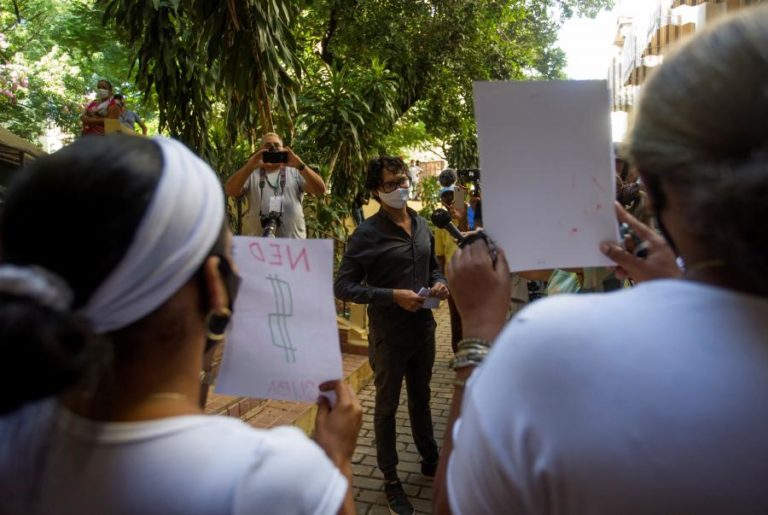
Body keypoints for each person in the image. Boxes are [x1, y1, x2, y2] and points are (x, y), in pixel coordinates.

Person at [434, 8, 768, 514]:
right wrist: (677, 278)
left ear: (653, 191)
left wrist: (478, 333)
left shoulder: (552, 345)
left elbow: (452, 506)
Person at [0, 135, 362, 515]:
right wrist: (335, 460)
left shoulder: (14, 437)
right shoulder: (277, 477)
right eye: (231, 255)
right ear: (215, 285)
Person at [334, 156, 449, 515]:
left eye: (402, 180)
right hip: (388, 335)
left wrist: (439, 284)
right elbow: (343, 285)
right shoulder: (366, 235)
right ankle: (390, 478)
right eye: (390, 184)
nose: (400, 187)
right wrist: (391, 296)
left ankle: (429, 457)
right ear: (375, 191)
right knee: (386, 407)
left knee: (422, 397)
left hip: (424, 329)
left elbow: (433, 267)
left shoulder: (420, 223)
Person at [224, 132, 325, 238]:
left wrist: (299, 164)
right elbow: (230, 190)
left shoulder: (295, 171)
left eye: (277, 145)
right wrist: (250, 165)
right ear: (260, 151)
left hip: (293, 247)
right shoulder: (252, 173)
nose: (273, 148)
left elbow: (320, 190)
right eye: (268, 146)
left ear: (284, 149)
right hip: (260, 247)